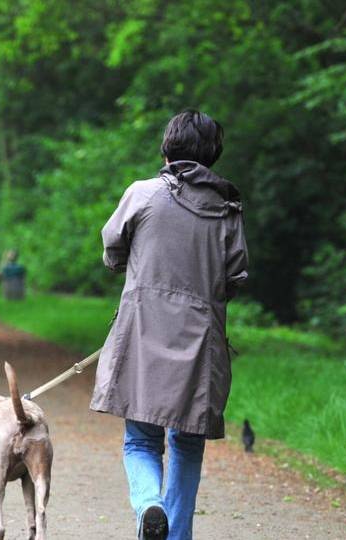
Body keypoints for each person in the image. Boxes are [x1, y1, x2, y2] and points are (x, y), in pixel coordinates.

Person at [90, 110, 248, 540]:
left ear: (167, 146)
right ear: (212, 153)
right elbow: (234, 278)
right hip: (202, 341)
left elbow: (111, 247)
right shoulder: (229, 210)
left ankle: (149, 505)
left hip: (143, 331)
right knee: (187, 442)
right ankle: (175, 534)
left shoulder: (142, 195)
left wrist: (132, 269)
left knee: (141, 439)